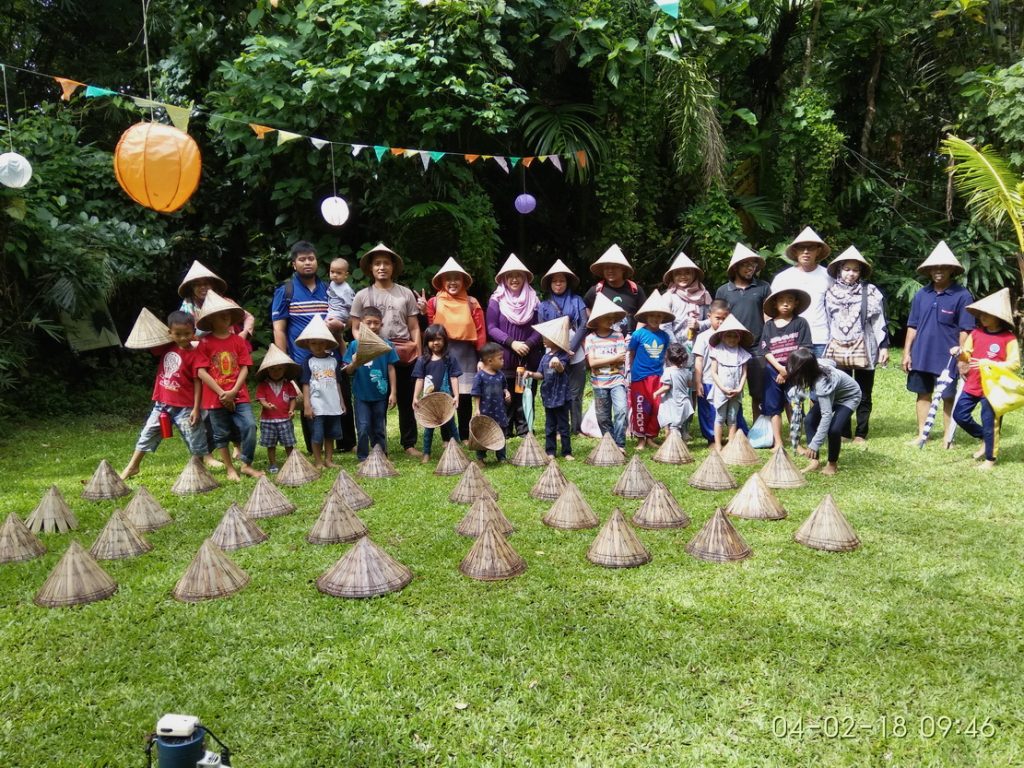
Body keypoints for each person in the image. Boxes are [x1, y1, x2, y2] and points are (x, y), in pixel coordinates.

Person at [272, 241, 356, 453]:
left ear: (317, 262)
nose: (307, 262)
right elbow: (279, 329)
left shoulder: (329, 289)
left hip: (333, 354)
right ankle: (314, 446)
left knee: (340, 394)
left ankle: (346, 443)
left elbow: (347, 318)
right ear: (294, 264)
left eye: (311, 258)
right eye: (302, 259)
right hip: (302, 357)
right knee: (310, 399)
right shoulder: (286, 291)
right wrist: (284, 361)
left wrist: (342, 325)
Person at [350, 243, 422, 456]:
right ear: (371, 268)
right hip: (375, 354)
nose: (382, 267)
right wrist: (367, 346)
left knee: (407, 400)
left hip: (404, 352)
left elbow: (414, 326)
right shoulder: (362, 296)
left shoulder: (405, 293)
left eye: (386, 263)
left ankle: (409, 443)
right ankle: (377, 445)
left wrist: (418, 352)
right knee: (378, 397)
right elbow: (354, 327)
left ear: (393, 267)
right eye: (377, 263)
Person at [120, 310, 210, 479]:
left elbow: (199, 382)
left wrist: (196, 408)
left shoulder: (196, 354)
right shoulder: (166, 346)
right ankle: (133, 466)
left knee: (195, 438)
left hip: (186, 406)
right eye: (178, 334)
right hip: (162, 404)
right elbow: (149, 340)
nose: (183, 338)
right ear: (170, 333)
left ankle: (199, 470)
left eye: (187, 334)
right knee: (147, 433)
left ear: (193, 332)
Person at [903, 241, 974, 446]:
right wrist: (907, 353)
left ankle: (947, 437)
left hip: (948, 358)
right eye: (935, 267)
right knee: (922, 393)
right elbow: (912, 326)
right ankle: (921, 434)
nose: (939, 271)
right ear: (929, 270)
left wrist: (962, 358)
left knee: (948, 397)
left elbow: (965, 330)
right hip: (921, 354)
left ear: (952, 270)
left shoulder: (962, 295)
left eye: (943, 267)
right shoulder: (922, 294)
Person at [823, 246, 889, 444]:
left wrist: (883, 346)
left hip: (865, 347)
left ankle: (861, 432)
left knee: (864, 391)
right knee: (841, 390)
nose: (851, 274)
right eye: (847, 269)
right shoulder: (830, 293)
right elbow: (827, 321)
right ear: (839, 270)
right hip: (838, 349)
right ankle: (843, 431)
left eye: (855, 270)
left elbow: (880, 322)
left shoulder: (871, 292)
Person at [195, 291, 263, 480]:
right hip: (214, 398)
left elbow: (245, 368)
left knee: (249, 426)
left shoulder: (238, 341)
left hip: (239, 394)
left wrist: (233, 391)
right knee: (221, 434)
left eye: (228, 314)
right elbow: (201, 372)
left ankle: (246, 464)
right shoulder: (205, 342)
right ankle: (230, 469)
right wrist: (222, 393)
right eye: (220, 315)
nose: (225, 317)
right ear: (210, 319)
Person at [952, 288, 1020, 469]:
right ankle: (985, 437)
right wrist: (959, 354)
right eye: (981, 314)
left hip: (994, 387)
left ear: (998, 317)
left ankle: (990, 459)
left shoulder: (1008, 338)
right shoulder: (976, 333)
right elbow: (966, 354)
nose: (982, 317)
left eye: (987, 314)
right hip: (973, 382)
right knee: (959, 415)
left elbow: (1014, 364)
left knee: (991, 423)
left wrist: (989, 363)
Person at [420, 257, 486, 439]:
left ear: (464, 281)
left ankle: (464, 435)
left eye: (457, 278)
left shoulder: (472, 302)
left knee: (464, 396)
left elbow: (480, 332)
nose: (452, 282)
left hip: (467, 354)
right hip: (443, 353)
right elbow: (431, 328)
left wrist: (482, 358)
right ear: (442, 282)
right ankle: (446, 437)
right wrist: (423, 311)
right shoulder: (434, 302)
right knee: (443, 394)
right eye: (448, 278)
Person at [485, 254, 542, 437]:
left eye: (518, 275)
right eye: (510, 275)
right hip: (505, 356)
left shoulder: (534, 299)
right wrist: (512, 343)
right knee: (506, 392)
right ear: (504, 279)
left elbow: (540, 328)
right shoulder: (497, 299)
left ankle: (525, 428)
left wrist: (528, 343)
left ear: (524, 278)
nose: (514, 279)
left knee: (525, 392)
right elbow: (491, 327)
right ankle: (505, 428)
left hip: (528, 355)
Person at [716, 243, 772, 419]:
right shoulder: (723, 290)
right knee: (730, 389)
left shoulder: (763, 287)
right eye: (745, 264)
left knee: (759, 391)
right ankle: (735, 428)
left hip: (757, 346)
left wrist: (769, 342)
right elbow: (719, 318)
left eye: (753, 264)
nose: (750, 268)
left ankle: (759, 428)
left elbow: (768, 316)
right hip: (731, 346)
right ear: (735, 268)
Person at [786, 347, 862, 475]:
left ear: (804, 370)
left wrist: (815, 443)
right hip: (833, 393)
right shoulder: (816, 364)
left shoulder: (822, 383)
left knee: (834, 429)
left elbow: (826, 415)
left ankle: (832, 464)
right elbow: (832, 362)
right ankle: (814, 460)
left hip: (849, 397)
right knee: (810, 420)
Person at [537, 259, 589, 436]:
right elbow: (543, 330)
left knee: (576, 392)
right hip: (553, 353)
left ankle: (576, 427)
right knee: (556, 390)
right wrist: (560, 350)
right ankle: (559, 428)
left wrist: (570, 347)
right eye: (554, 281)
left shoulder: (577, 301)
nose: (558, 284)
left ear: (567, 282)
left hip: (576, 351)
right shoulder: (543, 306)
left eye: (562, 280)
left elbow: (584, 325)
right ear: (550, 283)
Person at [342, 306, 398, 462]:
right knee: (363, 427)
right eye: (369, 323)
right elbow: (347, 371)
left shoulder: (387, 345)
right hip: (361, 395)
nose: (373, 326)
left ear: (381, 324)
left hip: (380, 394)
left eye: (376, 323)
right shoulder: (354, 345)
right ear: (361, 324)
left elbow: (391, 369)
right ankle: (363, 457)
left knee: (379, 427)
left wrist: (393, 392)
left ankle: (380, 456)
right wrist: (353, 363)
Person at [761, 288, 813, 450]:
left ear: (796, 303)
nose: (785, 303)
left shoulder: (801, 323)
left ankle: (796, 443)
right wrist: (779, 369)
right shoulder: (768, 326)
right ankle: (778, 442)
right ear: (775, 304)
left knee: (794, 406)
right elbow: (765, 350)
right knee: (774, 407)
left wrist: (788, 371)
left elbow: (804, 349)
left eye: (790, 300)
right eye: (781, 300)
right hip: (772, 371)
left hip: (795, 371)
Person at [771, 227, 834, 356]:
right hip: (790, 338)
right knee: (794, 375)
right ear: (795, 251)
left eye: (810, 248)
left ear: (818, 251)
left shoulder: (828, 276)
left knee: (821, 375)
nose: (806, 252)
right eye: (801, 248)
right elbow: (771, 309)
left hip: (820, 337)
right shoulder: (782, 278)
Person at [693, 300, 749, 445]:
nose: (721, 321)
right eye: (718, 318)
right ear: (709, 316)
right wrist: (698, 382)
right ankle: (712, 439)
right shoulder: (703, 337)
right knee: (708, 412)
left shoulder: (733, 337)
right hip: (708, 380)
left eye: (724, 318)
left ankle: (736, 436)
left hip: (730, 383)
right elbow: (698, 360)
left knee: (733, 411)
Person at [297, 314, 345, 468]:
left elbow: (337, 382)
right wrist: (307, 405)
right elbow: (305, 384)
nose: (317, 346)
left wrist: (341, 402)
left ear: (327, 343)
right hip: (317, 404)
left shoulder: (333, 361)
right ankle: (318, 461)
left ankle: (329, 459)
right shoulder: (307, 362)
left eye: (320, 342)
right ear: (308, 344)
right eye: (313, 343)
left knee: (331, 434)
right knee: (317, 434)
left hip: (332, 403)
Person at [412, 324, 462, 463]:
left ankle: (458, 450)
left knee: (452, 426)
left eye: (439, 339)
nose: (435, 342)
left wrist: (456, 395)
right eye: (432, 340)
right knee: (428, 429)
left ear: (444, 340)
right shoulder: (422, 360)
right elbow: (420, 379)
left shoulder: (450, 359)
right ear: (426, 341)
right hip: (429, 401)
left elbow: (453, 377)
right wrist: (415, 397)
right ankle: (426, 453)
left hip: (446, 399)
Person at [629, 290, 673, 449]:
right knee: (641, 406)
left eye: (659, 316)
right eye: (652, 315)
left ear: (663, 318)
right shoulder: (638, 334)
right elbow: (631, 354)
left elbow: (666, 356)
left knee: (656, 407)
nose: (655, 319)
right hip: (639, 377)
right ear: (646, 317)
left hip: (658, 377)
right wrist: (631, 373)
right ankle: (640, 439)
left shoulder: (665, 336)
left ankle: (650, 437)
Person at [584, 293, 628, 450]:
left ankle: (620, 444)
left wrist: (605, 360)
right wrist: (613, 358)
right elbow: (592, 363)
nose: (610, 320)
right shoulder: (590, 338)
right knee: (602, 417)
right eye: (606, 317)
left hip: (617, 381)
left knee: (621, 410)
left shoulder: (618, 335)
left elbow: (621, 358)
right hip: (599, 383)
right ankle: (609, 443)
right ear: (597, 319)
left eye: (612, 317)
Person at [526, 316, 573, 461]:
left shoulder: (563, 356)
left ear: (555, 339)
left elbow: (561, 369)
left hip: (562, 396)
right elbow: (541, 375)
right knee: (550, 425)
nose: (543, 340)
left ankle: (567, 452)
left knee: (564, 426)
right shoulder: (545, 357)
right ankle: (550, 451)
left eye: (546, 337)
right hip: (548, 396)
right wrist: (531, 374)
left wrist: (557, 363)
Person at [178, 260, 255, 344]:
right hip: (201, 350)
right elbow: (181, 331)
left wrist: (244, 332)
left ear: (213, 285)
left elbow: (248, 317)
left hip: (229, 347)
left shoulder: (225, 302)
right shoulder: (187, 307)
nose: (203, 287)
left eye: (206, 283)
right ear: (192, 288)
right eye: (197, 284)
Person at [708, 315, 753, 452]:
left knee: (732, 418)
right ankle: (718, 444)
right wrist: (723, 388)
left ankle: (731, 445)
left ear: (739, 337)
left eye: (735, 336)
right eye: (729, 336)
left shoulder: (742, 353)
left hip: (736, 391)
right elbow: (714, 372)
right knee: (720, 417)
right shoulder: (717, 351)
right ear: (722, 336)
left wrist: (739, 388)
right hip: (721, 391)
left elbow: (744, 372)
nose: (732, 339)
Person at [254, 344, 300, 474]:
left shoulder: (288, 384)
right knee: (271, 444)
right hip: (268, 420)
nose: (276, 372)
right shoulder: (263, 385)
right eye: (273, 369)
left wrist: (292, 410)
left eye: (280, 369)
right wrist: (266, 405)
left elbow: (292, 398)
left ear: (285, 369)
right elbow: (261, 399)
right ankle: (273, 464)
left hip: (285, 419)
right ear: (267, 370)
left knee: (288, 442)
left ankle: (291, 461)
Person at [583, 244, 648, 335]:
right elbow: (584, 308)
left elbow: (645, 314)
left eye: (614, 267)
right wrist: (595, 321)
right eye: (607, 267)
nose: (610, 270)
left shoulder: (635, 290)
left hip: (631, 341)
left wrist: (636, 335)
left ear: (623, 269)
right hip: (604, 343)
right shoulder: (596, 290)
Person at [472, 342, 512, 463]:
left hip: (499, 411)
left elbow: (504, 387)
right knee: (483, 433)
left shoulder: (501, 375)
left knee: (501, 432)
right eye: (500, 358)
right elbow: (476, 393)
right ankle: (481, 458)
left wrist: (507, 393)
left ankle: (501, 456)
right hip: (485, 411)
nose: (503, 361)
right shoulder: (479, 376)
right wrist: (477, 408)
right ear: (490, 361)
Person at [663, 250, 712, 345]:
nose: (683, 276)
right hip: (673, 350)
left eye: (687, 273)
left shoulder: (704, 295)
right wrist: (675, 347)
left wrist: (699, 325)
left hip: (700, 348)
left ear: (694, 275)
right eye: (678, 273)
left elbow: (713, 320)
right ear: (672, 276)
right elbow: (664, 326)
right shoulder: (668, 297)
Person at [655, 342, 694, 436]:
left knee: (670, 425)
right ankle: (681, 443)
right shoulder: (686, 372)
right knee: (679, 425)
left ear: (667, 357)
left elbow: (666, 387)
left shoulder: (668, 371)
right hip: (684, 402)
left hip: (672, 402)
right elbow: (689, 385)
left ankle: (670, 442)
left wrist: (656, 393)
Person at [325, 257, 355, 346]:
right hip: (333, 310)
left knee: (325, 327)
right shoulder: (332, 283)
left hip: (340, 311)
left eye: (339, 273)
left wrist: (348, 319)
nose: (334, 275)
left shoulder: (346, 289)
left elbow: (351, 304)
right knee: (336, 334)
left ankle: (328, 347)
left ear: (346, 275)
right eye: (332, 272)